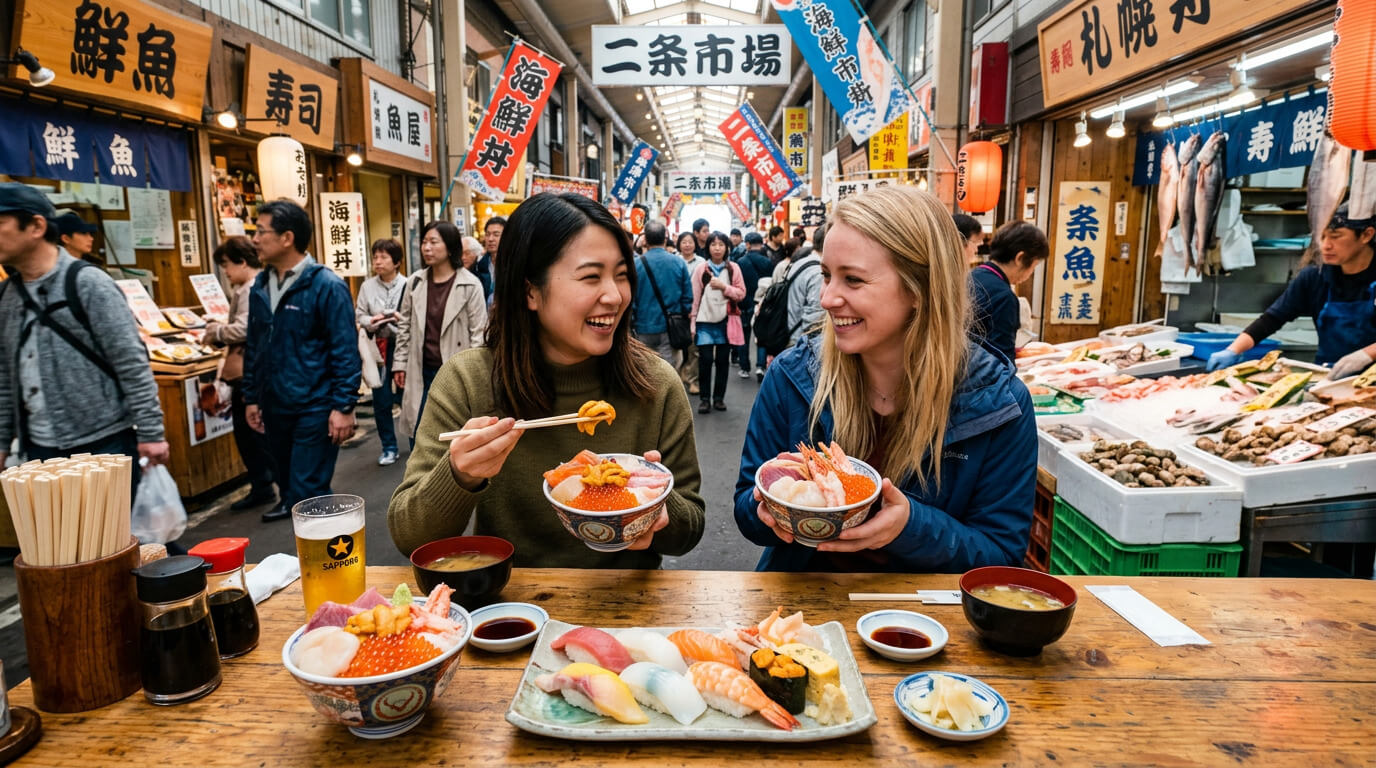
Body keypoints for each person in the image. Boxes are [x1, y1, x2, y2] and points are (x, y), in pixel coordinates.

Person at [387, 192, 705, 568]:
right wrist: (460, 475)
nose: (615, 295)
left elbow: (691, 529)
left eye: (621, 275)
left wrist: (654, 502)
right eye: (591, 277)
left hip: (629, 609)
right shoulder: (467, 380)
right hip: (509, 608)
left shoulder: (655, 382)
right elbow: (409, 536)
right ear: (530, 291)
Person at [734, 186, 1036, 573]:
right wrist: (774, 500)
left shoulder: (998, 402)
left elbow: (1001, 555)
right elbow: (746, 508)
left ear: (919, 290)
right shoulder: (793, 376)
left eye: (853, 280)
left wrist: (910, 526)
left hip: (923, 619)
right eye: (827, 275)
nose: (827, 298)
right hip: (801, 609)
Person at [0, 183, 168, 496]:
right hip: (39, 450)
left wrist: (151, 432)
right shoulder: (6, 296)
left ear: (36, 226)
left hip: (104, 445)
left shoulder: (88, 283)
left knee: (113, 541)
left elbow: (132, 362)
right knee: (59, 543)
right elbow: (4, 377)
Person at [243, 200, 360, 523]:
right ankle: (308, 561)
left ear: (287, 238)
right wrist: (252, 397)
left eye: (261, 231)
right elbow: (254, 344)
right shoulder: (260, 285)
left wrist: (344, 406)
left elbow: (345, 350)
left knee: (310, 489)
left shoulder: (326, 285)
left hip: (315, 406)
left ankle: (327, 562)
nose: (255, 239)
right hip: (275, 404)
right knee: (292, 489)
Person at [1208, 205, 1376, 378]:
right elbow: (1272, 319)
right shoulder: (1315, 276)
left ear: (1366, 235)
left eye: (1335, 236)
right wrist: (1232, 350)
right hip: (1329, 376)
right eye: (1321, 236)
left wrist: (1365, 355)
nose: (1325, 245)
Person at [393, 221, 487, 446]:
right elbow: (404, 326)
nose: (427, 248)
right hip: (421, 369)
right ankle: (419, 479)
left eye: (434, 242)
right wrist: (399, 363)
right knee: (418, 431)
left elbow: (478, 333)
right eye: (424, 242)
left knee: (450, 435)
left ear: (450, 246)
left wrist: (473, 374)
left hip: (454, 371)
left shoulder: (470, 285)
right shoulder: (415, 282)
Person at [203, 236, 278, 508]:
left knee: (254, 435)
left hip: (248, 371)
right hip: (247, 371)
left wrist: (216, 331)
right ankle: (264, 485)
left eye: (226, 265)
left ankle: (272, 487)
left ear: (242, 262)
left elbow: (248, 328)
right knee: (251, 435)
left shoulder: (251, 288)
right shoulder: (253, 286)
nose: (225, 272)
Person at [355, 238, 407, 466]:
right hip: (378, 346)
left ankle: (418, 444)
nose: (378, 261)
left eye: (384, 257)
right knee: (380, 398)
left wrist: (398, 318)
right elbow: (359, 316)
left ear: (396, 262)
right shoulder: (367, 286)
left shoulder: (409, 283)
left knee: (409, 398)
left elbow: (413, 317)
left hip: (403, 345)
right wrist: (371, 320)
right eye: (375, 257)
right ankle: (389, 447)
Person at [969, 222, 1050, 364]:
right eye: (1034, 265)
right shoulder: (1004, 297)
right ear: (1020, 258)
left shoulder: (974, 275)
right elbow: (1001, 360)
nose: (1031, 273)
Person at [690, 232, 746, 414]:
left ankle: (719, 398)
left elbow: (741, 293)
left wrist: (724, 288)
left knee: (722, 360)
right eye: (713, 245)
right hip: (704, 321)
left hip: (726, 321)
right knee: (705, 360)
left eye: (721, 244)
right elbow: (695, 297)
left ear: (727, 248)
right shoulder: (701, 269)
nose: (717, 248)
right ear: (708, 248)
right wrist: (692, 322)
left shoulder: (733, 268)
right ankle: (705, 399)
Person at [632, 220, 692, 366]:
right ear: (665, 238)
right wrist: (682, 315)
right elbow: (688, 297)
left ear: (645, 239)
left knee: (645, 371)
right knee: (667, 371)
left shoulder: (636, 265)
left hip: (643, 326)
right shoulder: (678, 263)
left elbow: (631, 298)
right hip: (670, 325)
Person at [732, 232, 773, 379]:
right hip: (762, 304)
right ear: (761, 244)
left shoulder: (740, 262)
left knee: (744, 335)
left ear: (747, 244)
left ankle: (744, 367)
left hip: (744, 303)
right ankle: (760, 366)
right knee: (761, 335)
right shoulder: (767, 262)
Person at [676, 231, 706, 396]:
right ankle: (680, 376)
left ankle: (693, 380)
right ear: (679, 244)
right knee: (678, 346)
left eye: (690, 242)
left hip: (697, 311)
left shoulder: (702, 263)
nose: (687, 245)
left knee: (694, 348)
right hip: (677, 312)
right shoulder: (673, 260)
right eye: (684, 242)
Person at [785, 230, 825, 347]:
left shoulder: (799, 263)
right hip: (801, 341)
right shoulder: (819, 272)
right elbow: (815, 317)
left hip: (789, 332)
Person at [473, 216, 504, 303]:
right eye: (487, 234)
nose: (490, 239)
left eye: (496, 235)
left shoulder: (514, 266)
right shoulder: (479, 266)